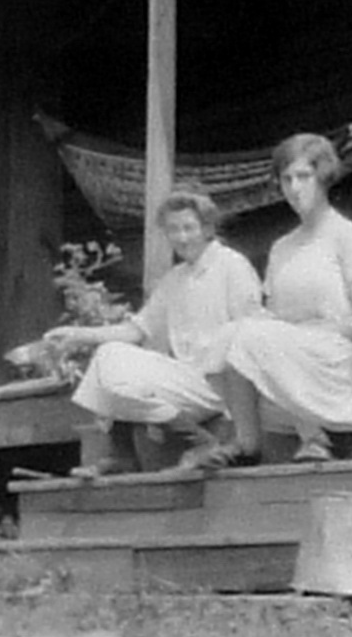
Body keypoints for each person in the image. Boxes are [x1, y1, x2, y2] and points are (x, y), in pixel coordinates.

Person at [45, 187, 263, 474]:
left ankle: (199, 442)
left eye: (189, 228)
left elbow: (249, 333)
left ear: (207, 229)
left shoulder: (232, 266)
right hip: (187, 380)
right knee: (109, 355)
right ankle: (122, 455)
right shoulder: (176, 278)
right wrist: (77, 334)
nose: (182, 237)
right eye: (173, 230)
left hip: (222, 385)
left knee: (115, 364)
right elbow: (136, 330)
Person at [214, 134, 352, 462]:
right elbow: (274, 320)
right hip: (297, 358)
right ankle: (246, 444)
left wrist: (310, 332)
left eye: (304, 177)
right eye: (287, 179)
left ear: (323, 178)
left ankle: (314, 439)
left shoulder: (348, 237)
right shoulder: (281, 248)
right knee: (233, 333)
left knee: (257, 336)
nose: (295, 188)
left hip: (346, 362)